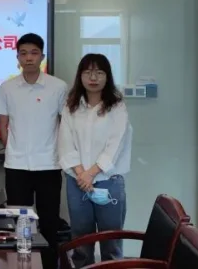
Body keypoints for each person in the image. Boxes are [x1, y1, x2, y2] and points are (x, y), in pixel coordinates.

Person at [0, 33, 68, 269]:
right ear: (17, 58)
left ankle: (48, 265)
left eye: (34, 53)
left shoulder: (58, 87)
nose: (29, 58)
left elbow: (64, 124)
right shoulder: (7, 88)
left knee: (49, 223)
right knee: (20, 222)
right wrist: (12, 148)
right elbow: (3, 124)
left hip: (49, 165)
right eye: (24, 53)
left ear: (42, 57)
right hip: (16, 166)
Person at [58, 53, 132, 267]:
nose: (93, 77)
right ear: (80, 76)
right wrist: (82, 174)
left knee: (111, 241)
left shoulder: (117, 106)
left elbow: (115, 144)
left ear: (107, 76)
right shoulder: (71, 106)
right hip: (77, 181)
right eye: (88, 72)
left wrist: (90, 174)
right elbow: (65, 143)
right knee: (81, 239)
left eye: (99, 72)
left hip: (108, 181)